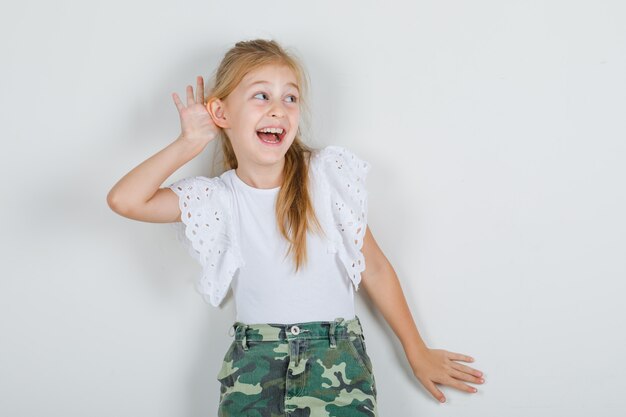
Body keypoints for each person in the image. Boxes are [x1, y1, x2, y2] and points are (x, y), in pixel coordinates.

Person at [107, 38, 484, 416]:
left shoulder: (325, 176)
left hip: (335, 361)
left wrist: (416, 351)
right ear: (221, 112)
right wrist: (188, 143)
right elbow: (126, 200)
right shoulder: (218, 198)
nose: (278, 110)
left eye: (290, 98)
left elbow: (377, 268)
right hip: (254, 365)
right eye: (261, 96)